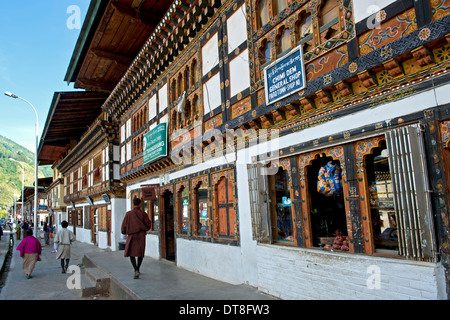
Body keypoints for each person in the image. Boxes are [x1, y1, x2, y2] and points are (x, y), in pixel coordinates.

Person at [121, 198, 151, 279]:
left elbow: (123, 226)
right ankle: (138, 268)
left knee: (131, 253)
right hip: (141, 235)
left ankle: (135, 269)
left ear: (133, 204)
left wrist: (124, 232)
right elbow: (148, 225)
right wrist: (143, 228)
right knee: (140, 253)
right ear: (140, 204)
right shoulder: (143, 214)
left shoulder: (128, 214)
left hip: (131, 236)